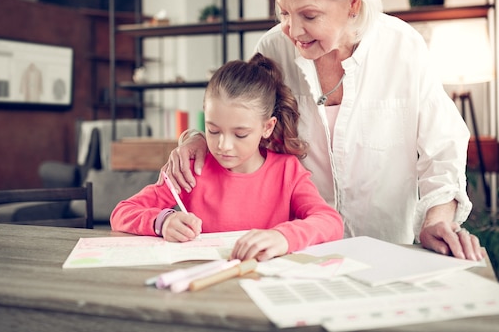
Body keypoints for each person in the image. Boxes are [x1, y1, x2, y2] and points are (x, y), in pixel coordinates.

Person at [159, 0, 483, 261]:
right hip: (298, 250)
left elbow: (442, 149)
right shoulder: (273, 48)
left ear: (352, 4)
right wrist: (199, 139)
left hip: (386, 247)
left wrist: (437, 219)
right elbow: (242, 122)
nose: (293, 31)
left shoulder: (403, 47)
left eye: (309, 16)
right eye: (284, 12)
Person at [110, 54, 344, 261]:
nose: (223, 145)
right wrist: (162, 222)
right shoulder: (190, 169)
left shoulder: (287, 172)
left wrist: (283, 237)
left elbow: (331, 222)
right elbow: (122, 212)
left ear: (267, 127)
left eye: (240, 134)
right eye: (213, 130)